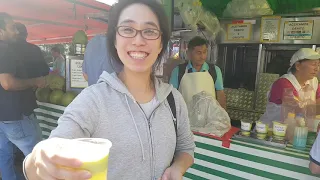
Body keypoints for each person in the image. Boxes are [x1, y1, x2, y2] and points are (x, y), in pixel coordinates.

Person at [23, 1, 195, 180]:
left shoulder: (173, 99)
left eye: (149, 31)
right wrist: (36, 161)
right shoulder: (93, 100)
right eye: (127, 29)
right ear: (114, 40)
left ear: (161, 44)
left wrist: (178, 167)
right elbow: (55, 145)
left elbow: (186, 147)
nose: (138, 40)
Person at [0, 13, 46, 180]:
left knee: (4, 156)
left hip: (2, 116)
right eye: (12, 28)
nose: (16, 32)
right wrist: (35, 81)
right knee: (38, 158)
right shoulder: (5, 49)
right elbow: (7, 83)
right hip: (16, 115)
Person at [260, 48, 320, 127]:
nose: (316, 69)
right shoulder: (284, 83)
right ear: (298, 66)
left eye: (318, 64)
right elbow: (297, 110)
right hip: (271, 132)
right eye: (313, 64)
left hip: (295, 133)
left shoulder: (314, 82)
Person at [169, 36, 226, 109]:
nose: (202, 56)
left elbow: (220, 95)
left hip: (209, 118)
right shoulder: (178, 71)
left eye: (204, 52)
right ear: (189, 53)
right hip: (185, 117)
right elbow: (172, 96)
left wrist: (223, 117)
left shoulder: (215, 70)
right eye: (198, 53)